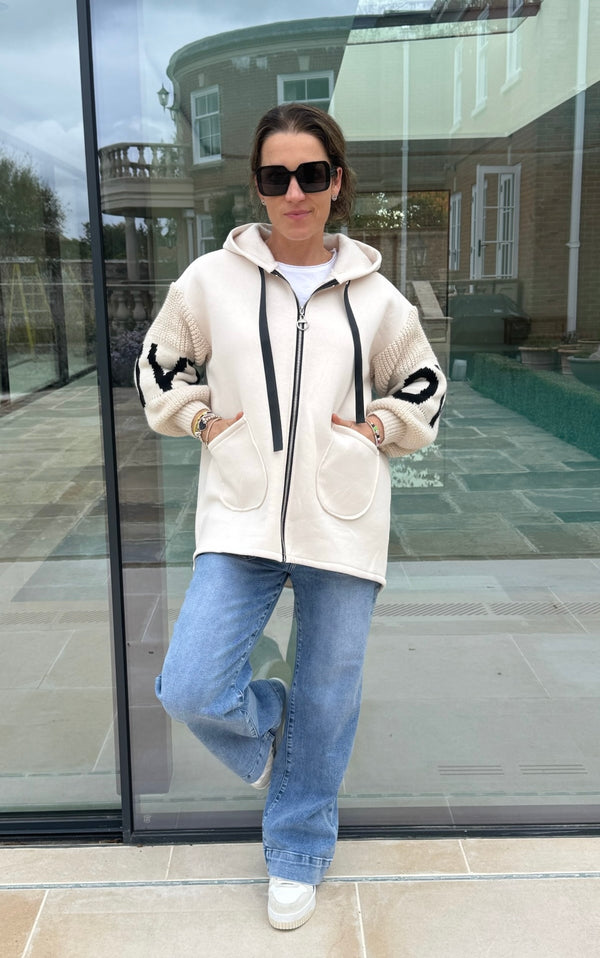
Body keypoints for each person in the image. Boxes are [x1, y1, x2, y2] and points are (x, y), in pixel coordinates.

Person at [135, 102, 446, 930]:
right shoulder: (210, 280)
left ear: (336, 181)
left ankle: (298, 851)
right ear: (259, 187)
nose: (295, 193)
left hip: (342, 513)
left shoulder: (376, 296)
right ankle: (276, 719)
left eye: (311, 174)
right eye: (277, 177)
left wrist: (377, 429)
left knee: (331, 693)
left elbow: (423, 383)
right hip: (239, 512)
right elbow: (160, 364)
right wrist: (202, 420)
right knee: (193, 684)